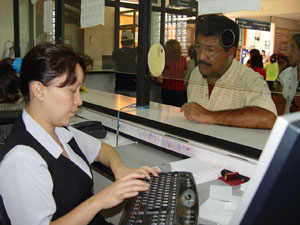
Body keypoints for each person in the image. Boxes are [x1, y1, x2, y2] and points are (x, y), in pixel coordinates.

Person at [0, 43, 159, 225]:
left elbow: (102, 149)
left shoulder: (59, 130)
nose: (79, 101)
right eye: (72, 91)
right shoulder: (22, 158)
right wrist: (99, 201)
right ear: (39, 90)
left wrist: (119, 169)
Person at [180, 14, 277, 129]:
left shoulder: (249, 79)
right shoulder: (196, 73)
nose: (201, 56)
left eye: (210, 50)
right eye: (198, 47)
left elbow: (269, 118)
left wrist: (210, 116)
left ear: (231, 52)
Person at [277, 34, 300, 114]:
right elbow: (280, 104)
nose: (288, 52)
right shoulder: (286, 74)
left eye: (293, 47)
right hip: (288, 122)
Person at [161, 39, 187, 107]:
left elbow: (161, 73)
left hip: (166, 89)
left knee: (166, 111)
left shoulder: (164, 59)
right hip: (180, 90)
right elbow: (184, 73)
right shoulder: (183, 60)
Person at [112, 31, 137, 97]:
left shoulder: (115, 53)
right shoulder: (135, 53)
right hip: (132, 88)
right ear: (132, 41)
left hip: (119, 87)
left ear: (121, 42)